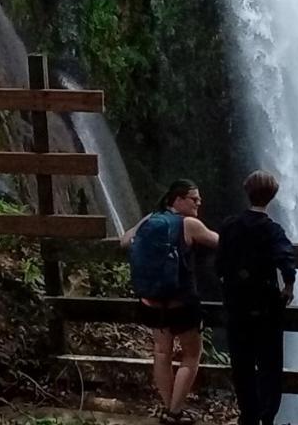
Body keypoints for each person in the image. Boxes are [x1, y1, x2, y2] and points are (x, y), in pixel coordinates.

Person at [121, 180, 220, 425]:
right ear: (177, 199)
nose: (199, 203)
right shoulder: (189, 224)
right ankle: (175, 412)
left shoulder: (151, 219)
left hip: (151, 301)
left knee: (162, 353)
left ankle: (167, 408)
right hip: (181, 303)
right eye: (193, 198)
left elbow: (124, 241)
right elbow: (221, 242)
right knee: (191, 355)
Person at [216, 171, 296, 425]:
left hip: (236, 304)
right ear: (272, 197)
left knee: (242, 363)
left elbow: (219, 262)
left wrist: (225, 282)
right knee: (270, 365)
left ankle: (247, 414)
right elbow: (285, 259)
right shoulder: (272, 229)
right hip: (266, 306)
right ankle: (267, 416)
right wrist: (289, 286)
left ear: (246, 191)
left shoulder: (230, 225)